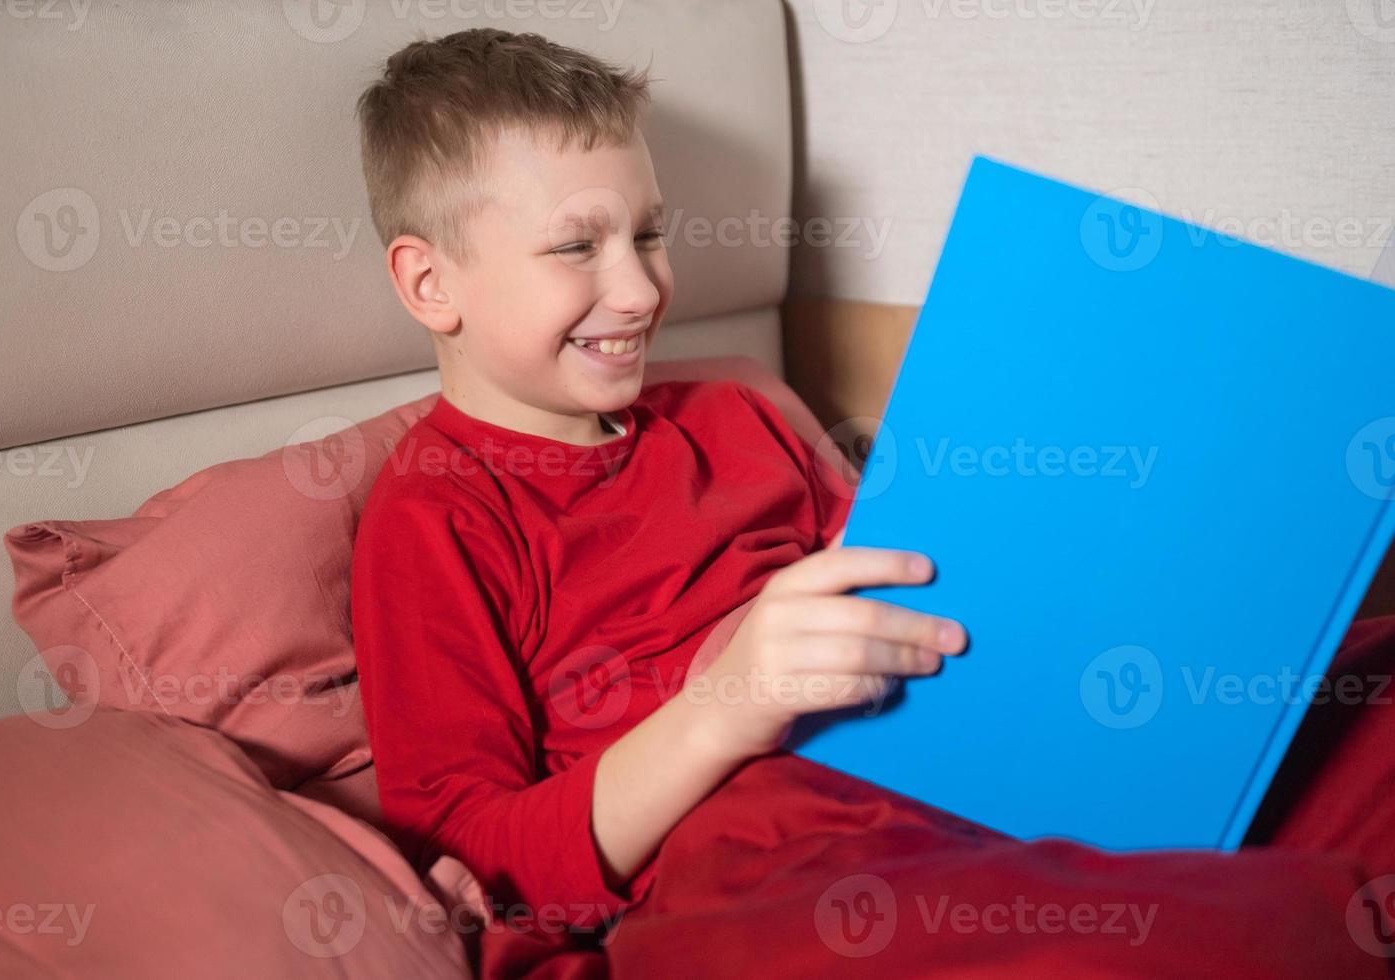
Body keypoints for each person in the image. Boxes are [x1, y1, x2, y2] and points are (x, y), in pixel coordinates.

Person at [350, 27, 1395, 979]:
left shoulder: (734, 410)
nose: (638, 289)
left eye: (649, 235)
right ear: (429, 282)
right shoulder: (434, 516)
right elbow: (470, 852)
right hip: (760, 830)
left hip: (956, 726)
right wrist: (729, 704)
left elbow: (902, 564)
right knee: (1215, 934)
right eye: (578, 247)